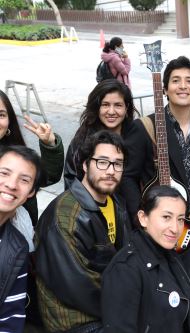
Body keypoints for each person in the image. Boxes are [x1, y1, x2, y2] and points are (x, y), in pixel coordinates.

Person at [122, 56, 190, 281]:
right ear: (164, 89)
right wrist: (140, 219)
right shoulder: (145, 127)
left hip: (189, 225)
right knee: (153, 283)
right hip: (153, 226)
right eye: (176, 81)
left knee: (184, 279)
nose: (183, 86)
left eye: (189, 81)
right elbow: (128, 177)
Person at [35, 131, 130, 333]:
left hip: (105, 299)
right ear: (85, 165)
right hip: (75, 319)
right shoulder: (66, 215)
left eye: (118, 164)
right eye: (102, 162)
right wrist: (131, 302)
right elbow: (80, 287)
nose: (111, 171)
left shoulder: (114, 202)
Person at [101, 185, 190, 332]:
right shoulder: (124, 271)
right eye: (166, 217)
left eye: (180, 219)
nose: (175, 228)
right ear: (143, 218)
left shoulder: (171, 254)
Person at [0, 89, 64, 225]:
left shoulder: (15, 153)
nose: (11, 185)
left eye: (1, 115)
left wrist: (50, 145)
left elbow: (47, 177)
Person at [0, 145, 43, 333]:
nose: (11, 184)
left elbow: (11, 317)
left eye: (24, 180)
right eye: (4, 173)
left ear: (31, 192)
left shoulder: (17, 247)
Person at [64, 79, 135, 189]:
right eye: (105, 105)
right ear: (97, 107)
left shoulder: (136, 135)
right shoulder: (83, 139)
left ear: (127, 107)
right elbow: (72, 179)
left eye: (118, 105)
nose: (111, 112)